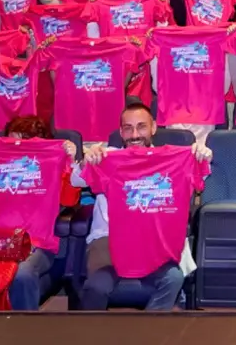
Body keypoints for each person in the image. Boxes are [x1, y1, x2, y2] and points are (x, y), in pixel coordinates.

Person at [72, 103, 213, 311]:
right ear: (121, 132)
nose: (134, 134)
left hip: (156, 240)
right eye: (128, 128)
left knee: (173, 278)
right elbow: (76, 181)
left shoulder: (175, 159)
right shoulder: (108, 157)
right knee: (96, 288)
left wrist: (202, 155)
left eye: (141, 127)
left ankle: (149, 332)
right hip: (108, 241)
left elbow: (200, 175)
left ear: (154, 128)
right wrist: (86, 161)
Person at [0, 116, 80, 311]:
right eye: (11, 142)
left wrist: (70, 162)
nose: (17, 147)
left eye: (25, 142)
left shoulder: (52, 158)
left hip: (37, 244)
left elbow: (69, 200)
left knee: (22, 274)